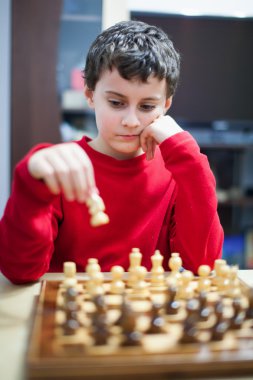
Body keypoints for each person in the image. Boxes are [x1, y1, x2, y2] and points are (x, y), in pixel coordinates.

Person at [0, 20, 223, 284]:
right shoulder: (64, 168)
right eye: (116, 103)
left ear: (166, 105)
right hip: (71, 317)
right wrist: (30, 184)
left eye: (147, 106)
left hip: (148, 317)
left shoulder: (176, 170)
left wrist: (191, 160)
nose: (131, 120)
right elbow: (19, 271)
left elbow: (204, 263)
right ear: (90, 95)